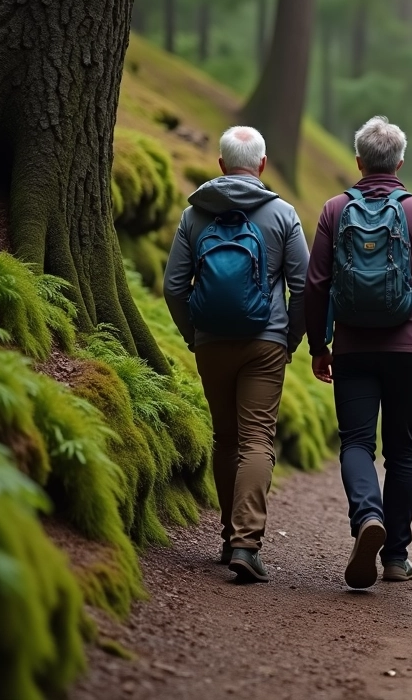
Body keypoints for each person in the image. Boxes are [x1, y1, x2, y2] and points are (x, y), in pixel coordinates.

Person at [305, 116, 412, 589]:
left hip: (351, 347)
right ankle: (395, 557)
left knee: (356, 443)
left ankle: (368, 516)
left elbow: (315, 284)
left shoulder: (333, 210)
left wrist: (317, 345)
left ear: (358, 162)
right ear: (400, 162)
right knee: (402, 450)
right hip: (407, 347)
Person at [164, 126, 309, 584]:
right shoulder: (282, 213)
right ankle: (247, 544)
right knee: (257, 440)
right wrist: (291, 338)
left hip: (210, 341)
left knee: (226, 439)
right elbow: (304, 286)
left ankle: (229, 537)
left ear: (223, 165)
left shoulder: (195, 215)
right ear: (262, 164)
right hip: (265, 341)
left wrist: (194, 334)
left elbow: (173, 286)